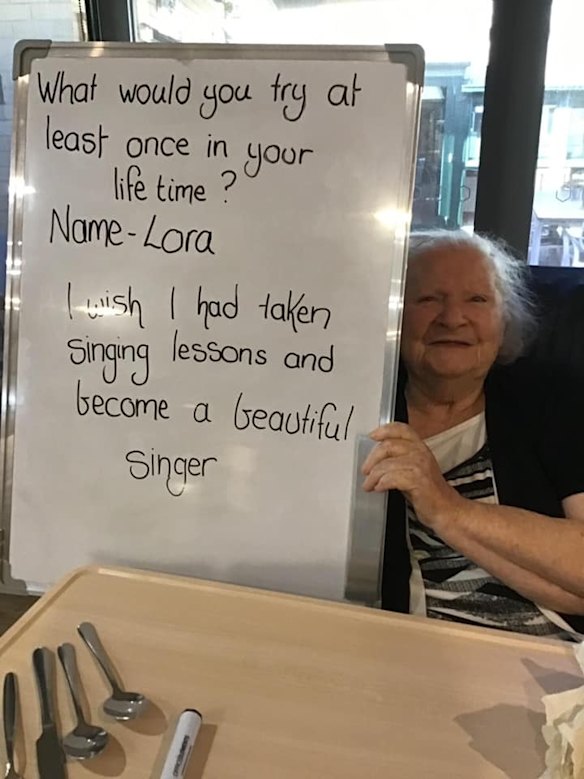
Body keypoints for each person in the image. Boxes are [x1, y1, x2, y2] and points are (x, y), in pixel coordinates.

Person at [362, 230, 584, 639]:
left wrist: (447, 509)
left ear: (505, 319)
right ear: (394, 315)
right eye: (429, 299)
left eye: (477, 300)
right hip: (398, 651)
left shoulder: (557, 401)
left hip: (550, 661)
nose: (452, 318)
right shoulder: (360, 408)